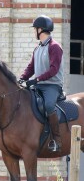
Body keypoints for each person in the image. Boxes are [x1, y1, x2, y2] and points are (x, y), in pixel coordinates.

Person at [19, 15, 64, 152]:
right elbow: (31, 67)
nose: (34, 32)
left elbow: (54, 69)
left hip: (52, 85)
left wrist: (37, 79)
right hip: (39, 85)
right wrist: (22, 78)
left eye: (35, 29)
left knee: (49, 105)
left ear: (40, 30)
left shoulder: (55, 47)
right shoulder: (37, 48)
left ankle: (57, 140)